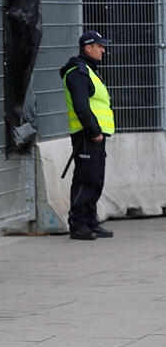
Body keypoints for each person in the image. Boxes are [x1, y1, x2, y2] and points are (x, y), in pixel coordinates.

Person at [60, 30, 115, 240]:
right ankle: (79, 224)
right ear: (88, 47)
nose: (103, 50)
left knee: (96, 179)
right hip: (87, 135)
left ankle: (91, 221)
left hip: (96, 136)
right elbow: (82, 107)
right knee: (86, 179)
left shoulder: (89, 70)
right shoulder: (77, 72)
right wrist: (94, 131)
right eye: (99, 46)